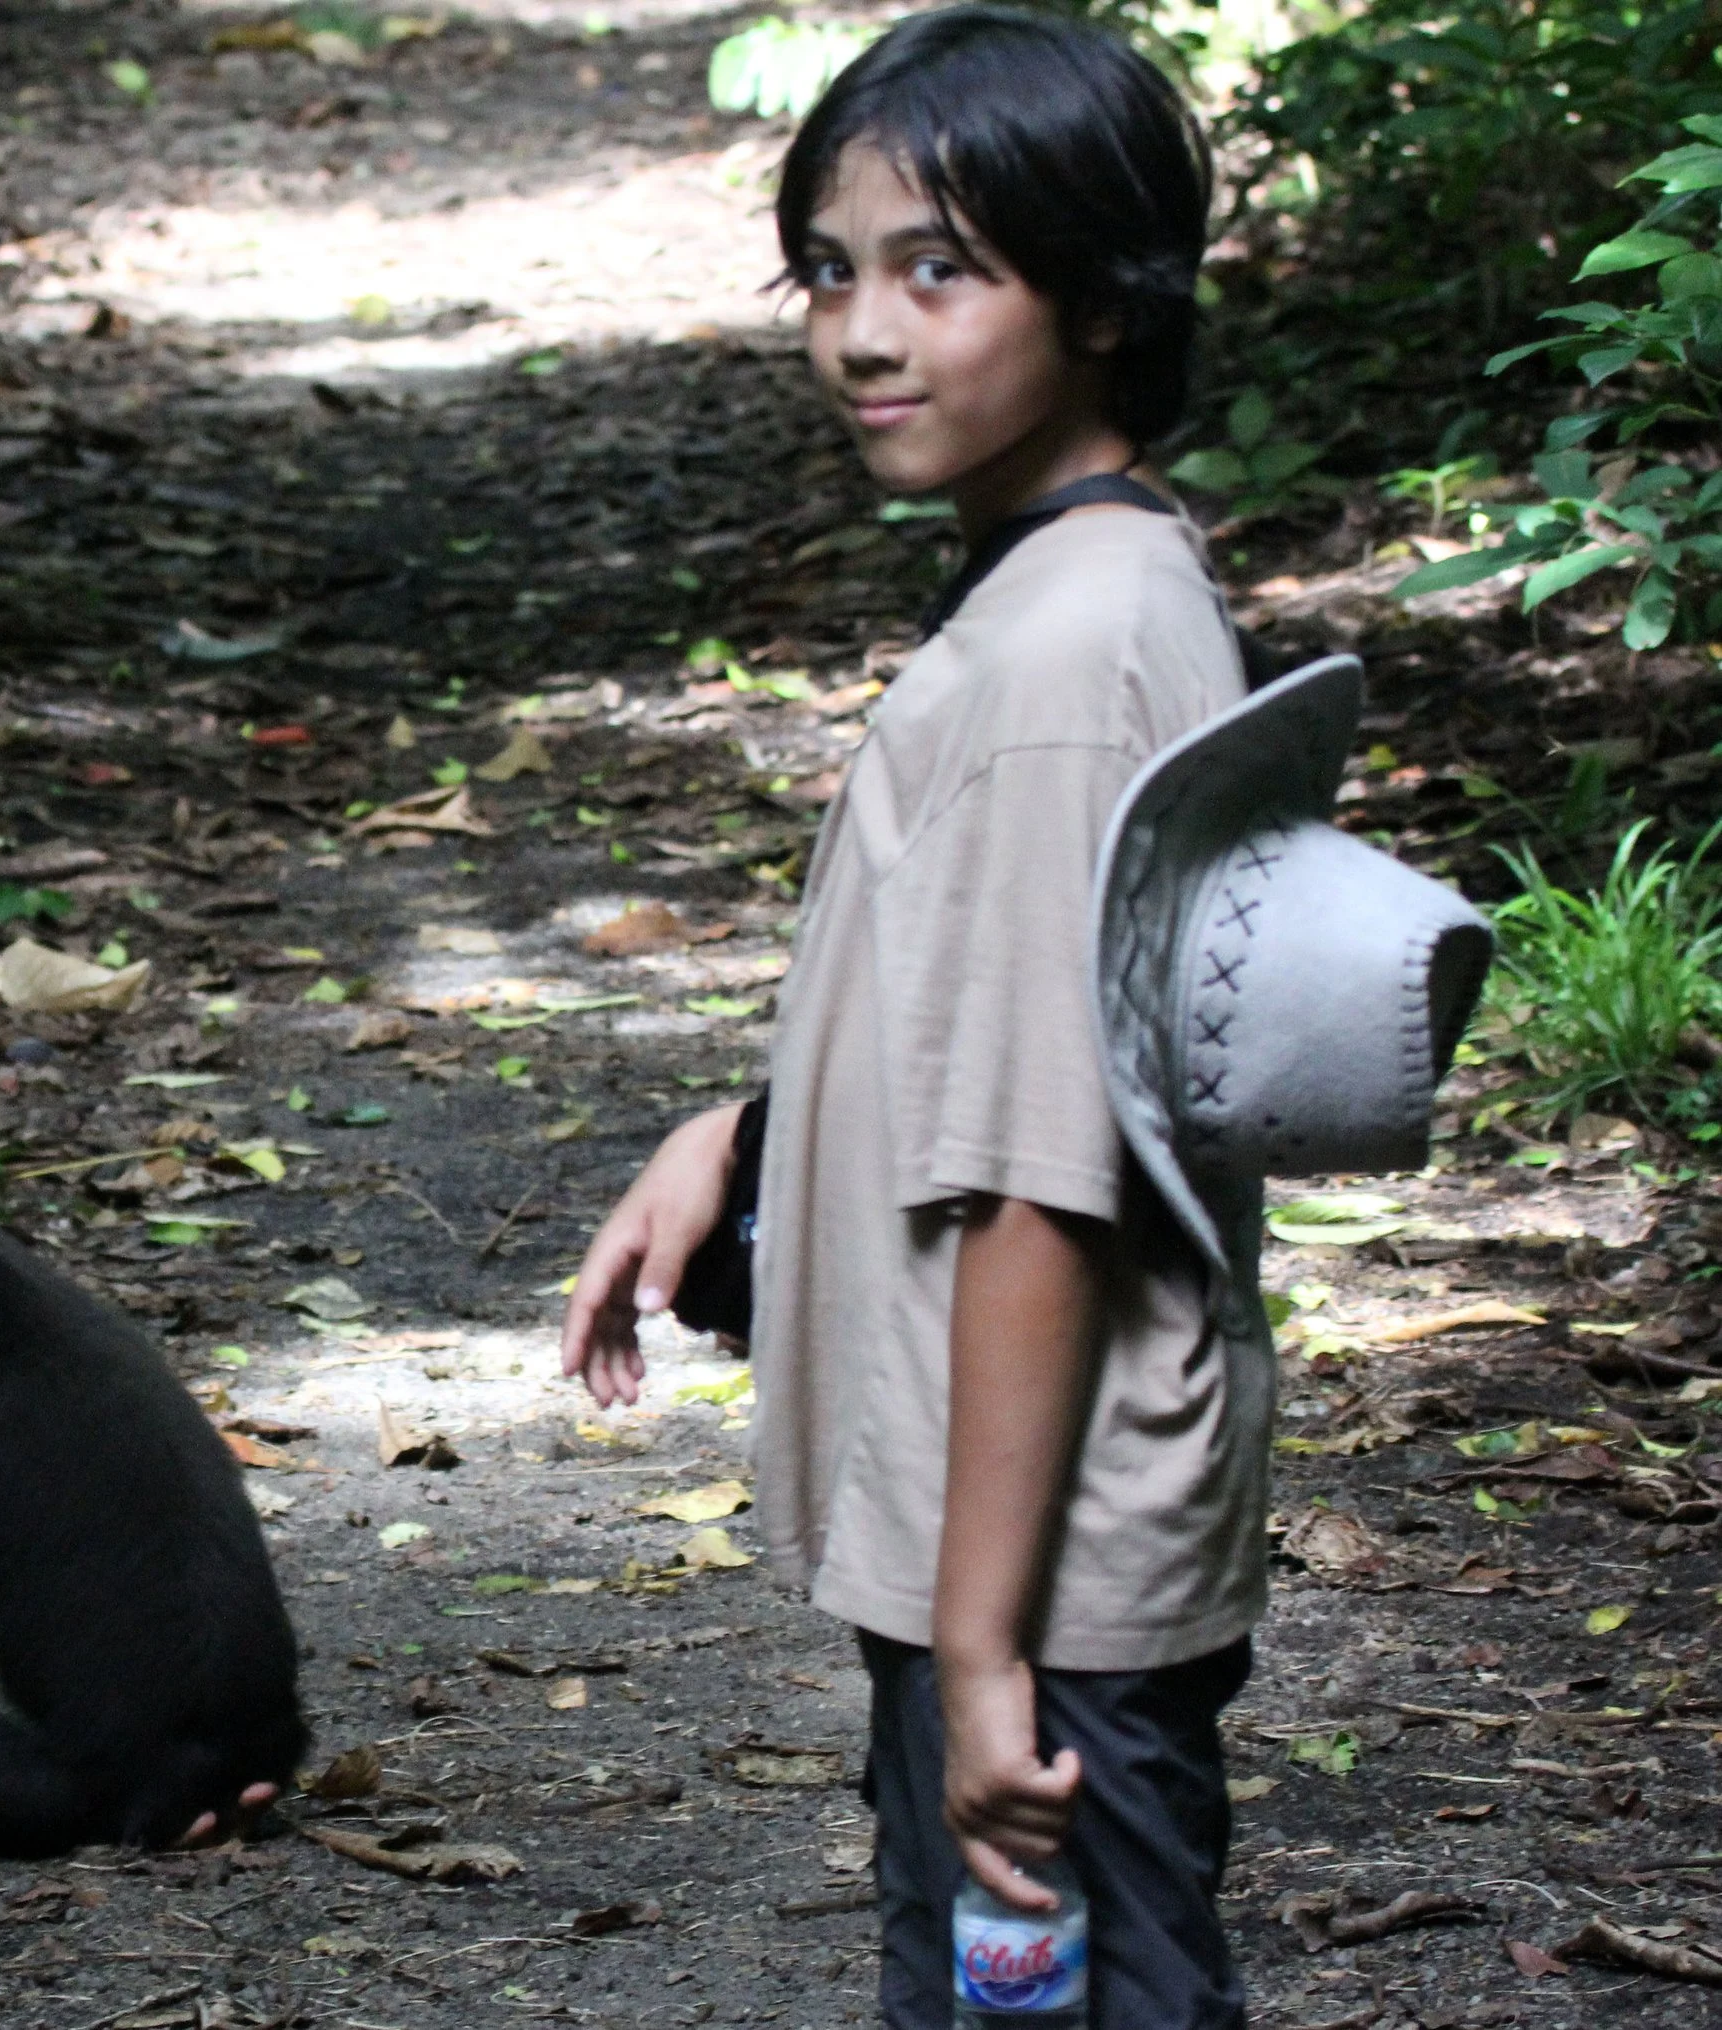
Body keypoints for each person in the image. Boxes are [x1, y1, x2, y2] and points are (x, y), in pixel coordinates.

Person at [562, 12, 1255, 2027]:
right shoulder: (1070, 586)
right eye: (832, 270)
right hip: (1023, 1553)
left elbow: (1048, 1185)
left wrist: (974, 1658)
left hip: (1039, 1588)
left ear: (1105, 303)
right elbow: (990, 998)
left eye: (941, 270)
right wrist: (746, 1139)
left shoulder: (1060, 659)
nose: (865, 334)